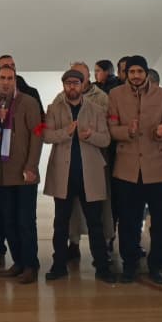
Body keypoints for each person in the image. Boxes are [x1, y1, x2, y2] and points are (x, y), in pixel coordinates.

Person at [43, 69, 115, 283]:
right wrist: (65, 132)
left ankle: (102, 267)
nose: (72, 87)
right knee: (60, 223)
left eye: (76, 83)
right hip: (63, 175)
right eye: (68, 83)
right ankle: (58, 266)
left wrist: (91, 135)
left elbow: (106, 140)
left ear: (83, 85)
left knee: (95, 223)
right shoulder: (54, 108)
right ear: (63, 85)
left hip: (89, 175)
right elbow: (45, 135)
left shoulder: (96, 109)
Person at [109, 55, 162, 283]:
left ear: (146, 73)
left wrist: (161, 134)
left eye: (140, 71)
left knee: (160, 221)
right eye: (132, 72)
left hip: (156, 167)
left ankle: (156, 265)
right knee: (129, 221)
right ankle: (130, 265)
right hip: (126, 169)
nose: (136, 75)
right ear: (126, 74)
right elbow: (111, 128)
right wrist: (126, 131)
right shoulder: (115, 95)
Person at [0, 54, 42, 270]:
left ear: (15, 80)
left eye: (10, 78)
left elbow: (37, 135)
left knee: (25, 222)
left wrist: (31, 166)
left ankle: (30, 266)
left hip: (24, 173)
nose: (6, 82)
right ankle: (18, 262)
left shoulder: (28, 102)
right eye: (2, 78)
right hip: (1, 174)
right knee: (8, 222)